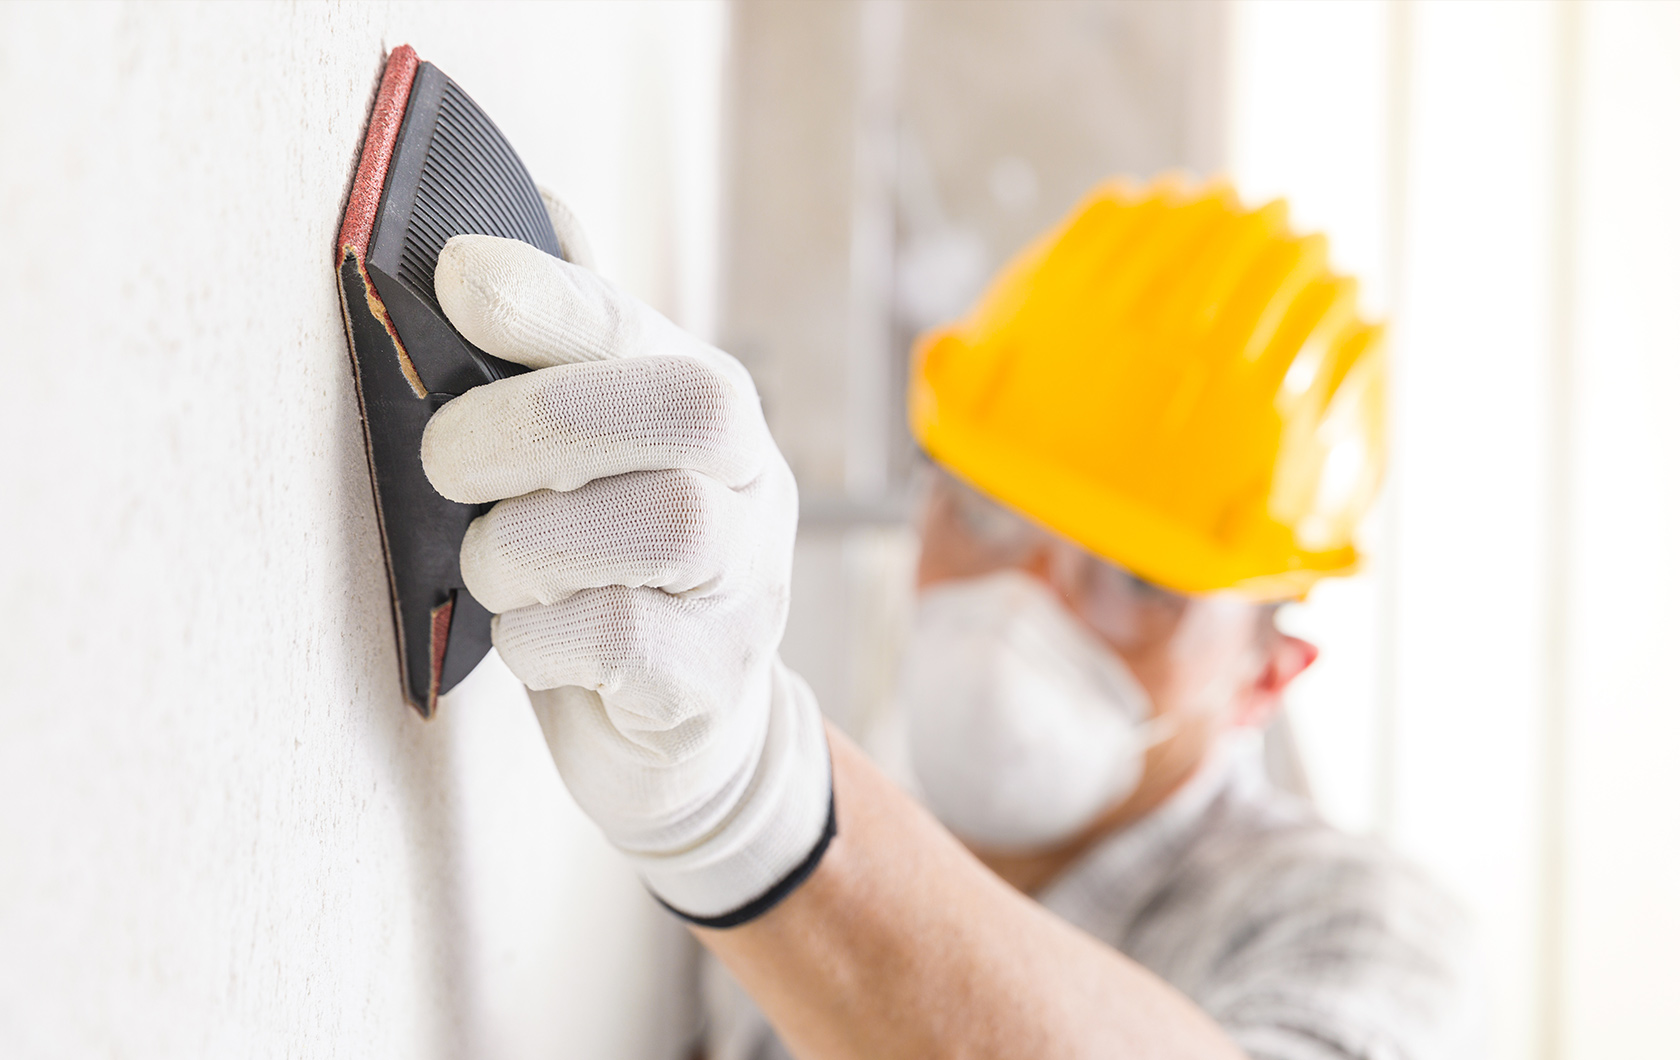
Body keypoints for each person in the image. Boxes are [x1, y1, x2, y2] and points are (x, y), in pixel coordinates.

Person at [419, 176, 1476, 1059]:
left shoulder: (1358, 924)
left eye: (1141, 581)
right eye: (981, 512)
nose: (1025, 600)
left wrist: (757, 815)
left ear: (1265, 675)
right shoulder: (874, 797)